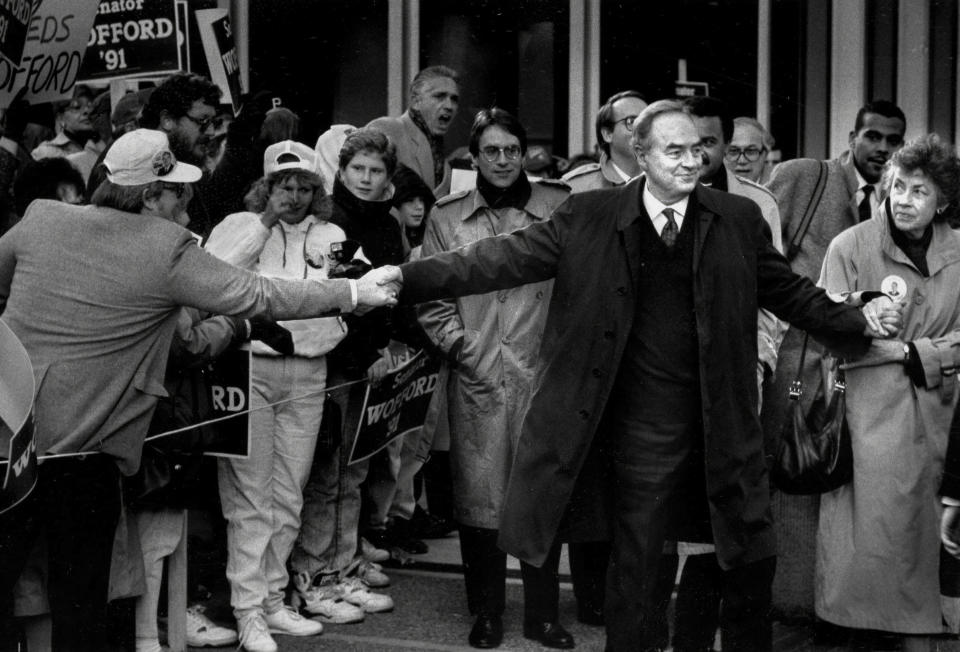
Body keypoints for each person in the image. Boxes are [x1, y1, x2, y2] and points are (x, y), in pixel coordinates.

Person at [384, 100, 903, 652]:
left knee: (749, 563)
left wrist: (856, 316)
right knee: (634, 571)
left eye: (698, 150)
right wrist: (402, 277)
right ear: (642, 153)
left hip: (720, 425)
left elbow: (791, 292)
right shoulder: (589, 215)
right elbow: (493, 259)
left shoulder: (737, 219)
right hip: (637, 435)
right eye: (674, 151)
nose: (690, 162)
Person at [0, 128, 399, 652]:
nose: (186, 210)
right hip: (82, 456)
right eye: (177, 196)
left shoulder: (43, 217)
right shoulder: (166, 247)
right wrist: (352, 290)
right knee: (80, 600)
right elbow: (259, 294)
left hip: (10, 440)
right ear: (149, 196)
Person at [416, 108, 572, 650]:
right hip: (478, 374)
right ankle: (487, 612)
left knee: (541, 494)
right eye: (491, 151)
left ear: (524, 152)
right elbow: (431, 297)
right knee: (480, 499)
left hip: (544, 373)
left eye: (512, 150)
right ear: (474, 157)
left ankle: (543, 615)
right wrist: (464, 349)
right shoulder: (447, 216)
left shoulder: (558, 204)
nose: (503, 160)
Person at [205, 140, 356, 652]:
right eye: (283, 185)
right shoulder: (239, 225)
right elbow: (214, 274)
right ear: (266, 187)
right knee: (250, 495)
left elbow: (357, 292)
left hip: (309, 370)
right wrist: (264, 221)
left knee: (290, 491)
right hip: (251, 368)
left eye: (303, 186)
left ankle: (272, 599)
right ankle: (246, 611)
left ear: (317, 189)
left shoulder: (331, 233)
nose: (293, 195)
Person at [816, 134, 960, 652]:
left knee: (925, 546)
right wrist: (878, 331)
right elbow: (827, 328)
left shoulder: (959, 252)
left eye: (919, 191)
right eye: (897, 186)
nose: (902, 198)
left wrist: (912, 351)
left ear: (942, 200)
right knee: (873, 550)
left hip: (941, 415)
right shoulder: (850, 247)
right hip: (868, 420)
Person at [764, 99, 906, 617]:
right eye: (874, 137)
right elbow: (766, 259)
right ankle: (794, 608)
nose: (883, 149)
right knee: (799, 482)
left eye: (893, 141)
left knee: (850, 489)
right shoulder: (806, 179)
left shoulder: (901, 196)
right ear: (852, 137)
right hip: (803, 366)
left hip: (865, 370)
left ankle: (840, 607)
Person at [291, 127, 401, 620]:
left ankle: (341, 565)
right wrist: (366, 351)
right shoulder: (328, 219)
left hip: (370, 361)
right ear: (341, 170)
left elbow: (393, 297)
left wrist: (387, 347)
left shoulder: (388, 222)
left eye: (376, 171)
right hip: (334, 362)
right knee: (326, 472)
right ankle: (316, 574)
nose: (366, 178)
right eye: (358, 169)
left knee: (353, 470)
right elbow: (334, 301)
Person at [367, 65, 460, 197]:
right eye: (440, 96)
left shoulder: (445, 166)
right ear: (416, 100)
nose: (449, 106)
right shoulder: (388, 129)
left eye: (454, 99)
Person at [563, 90, 647, 192]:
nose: (643, 129)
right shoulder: (577, 187)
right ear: (607, 134)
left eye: (648, 121)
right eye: (631, 121)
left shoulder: (668, 181)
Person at [31, 86, 99, 161]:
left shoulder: (100, 148)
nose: (87, 111)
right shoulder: (46, 152)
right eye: (76, 107)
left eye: (90, 106)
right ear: (60, 117)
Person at [725, 116, 774, 184]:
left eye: (750, 151)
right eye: (733, 151)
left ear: (765, 154)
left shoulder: (779, 188)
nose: (742, 161)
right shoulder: (709, 188)